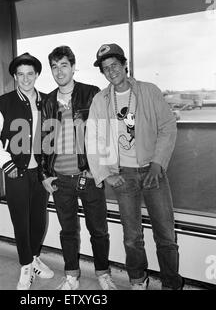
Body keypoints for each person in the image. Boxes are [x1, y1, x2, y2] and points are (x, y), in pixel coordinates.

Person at [86, 43, 184, 290]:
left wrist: (158, 163)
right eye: (106, 68)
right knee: (132, 238)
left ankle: (171, 283)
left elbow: (167, 126)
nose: (111, 71)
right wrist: (106, 174)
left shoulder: (148, 91)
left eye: (115, 65)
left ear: (124, 64)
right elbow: (93, 139)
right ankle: (138, 280)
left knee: (166, 235)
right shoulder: (101, 100)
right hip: (123, 176)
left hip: (153, 172)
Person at [40, 46, 116, 290]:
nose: (59, 71)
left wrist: (100, 168)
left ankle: (103, 273)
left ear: (73, 67)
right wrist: (45, 175)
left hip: (89, 175)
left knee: (99, 230)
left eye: (63, 65)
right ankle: (72, 275)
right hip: (61, 179)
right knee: (68, 231)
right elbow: (43, 143)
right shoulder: (48, 101)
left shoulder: (91, 93)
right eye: (54, 66)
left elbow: (104, 134)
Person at [0, 52, 54, 290]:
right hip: (17, 173)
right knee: (20, 221)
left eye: (30, 74)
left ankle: (34, 257)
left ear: (36, 75)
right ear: (15, 76)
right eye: (21, 74)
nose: (26, 79)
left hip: (40, 174)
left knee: (38, 219)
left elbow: (53, 137)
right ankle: (25, 264)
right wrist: (7, 163)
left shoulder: (46, 102)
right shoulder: (4, 102)